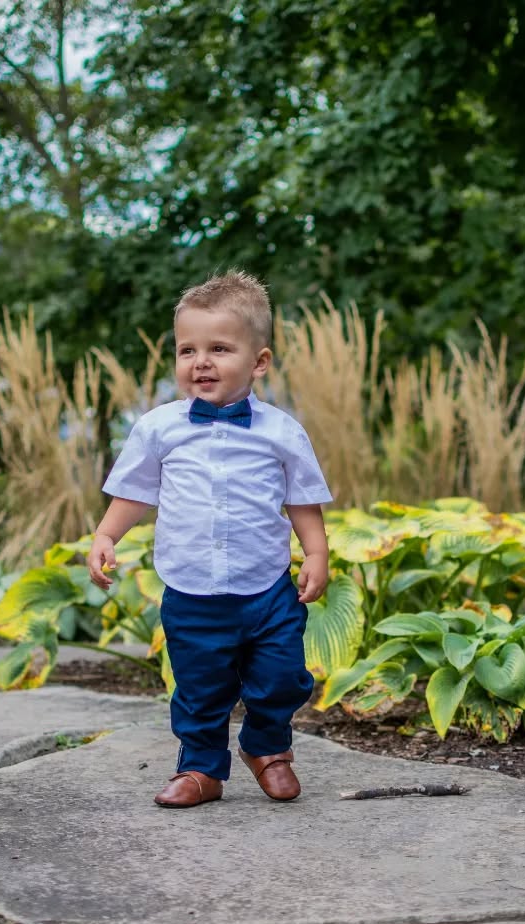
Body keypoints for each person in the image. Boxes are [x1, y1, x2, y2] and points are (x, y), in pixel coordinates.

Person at [87, 270, 332, 809]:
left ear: (258, 362)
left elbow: (302, 500)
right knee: (199, 688)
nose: (200, 362)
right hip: (192, 590)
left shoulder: (281, 431)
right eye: (187, 350)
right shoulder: (159, 428)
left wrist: (316, 552)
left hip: (266, 589)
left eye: (219, 349)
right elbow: (133, 493)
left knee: (282, 677)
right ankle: (201, 769)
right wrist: (106, 535)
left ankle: (268, 749)